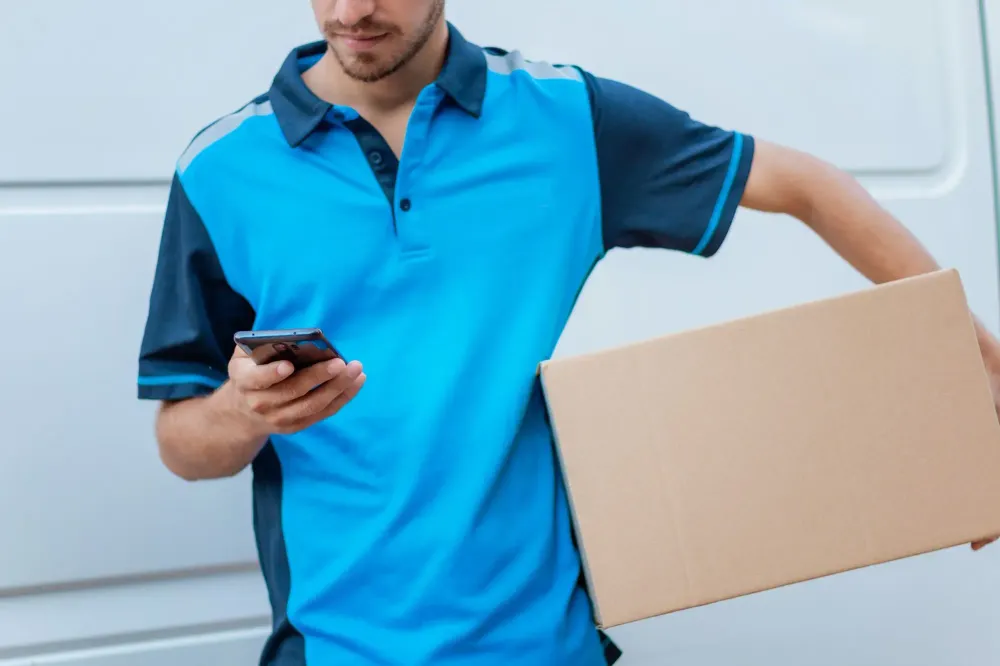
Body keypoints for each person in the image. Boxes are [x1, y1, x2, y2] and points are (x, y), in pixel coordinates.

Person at [135, 1, 1000, 664]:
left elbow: (805, 184)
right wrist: (247, 413)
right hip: (335, 650)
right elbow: (182, 441)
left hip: (548, 646)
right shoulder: (221, 170)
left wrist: (972, 361)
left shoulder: (568, 123)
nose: (351, 11)